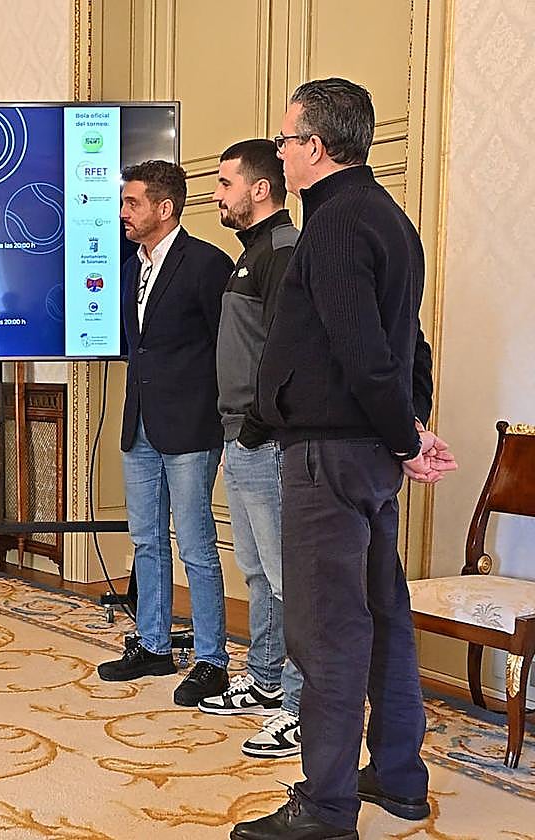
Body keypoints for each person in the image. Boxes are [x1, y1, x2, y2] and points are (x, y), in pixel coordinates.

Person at [231, 78, 457, 840]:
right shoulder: (387, 217)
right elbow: (409, 346)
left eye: (286, 140)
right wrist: (408, 430)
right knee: (383, 617)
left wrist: (406, 437)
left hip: (328, 457)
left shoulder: (333, 225)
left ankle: (327, 807)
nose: (281, 153)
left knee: (326, 633)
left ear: (316, 146)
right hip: (366, 456)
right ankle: (398, 777)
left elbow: (366, 354)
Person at [96, 161, 236, 708]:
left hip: (192, 426)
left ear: (165, 208)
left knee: (196, 546)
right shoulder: (131, 266)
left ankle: (211, 659)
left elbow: (228, 349)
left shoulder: (207, 264)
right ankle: (153, 645)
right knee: (146, 540)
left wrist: (222, 418)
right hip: (140, 423)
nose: (122, 213)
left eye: (131, 203)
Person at [198, 139, 303, 758]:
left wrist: (262, 423)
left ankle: (299, 706)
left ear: (260, 188)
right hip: (240, 434)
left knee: (289, 578)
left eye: (225, 183)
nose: (217, 195)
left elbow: (290, 350)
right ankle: (265, 680)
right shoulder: (251, 252)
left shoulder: (283, 249)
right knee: (258, 570)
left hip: (265, 440)